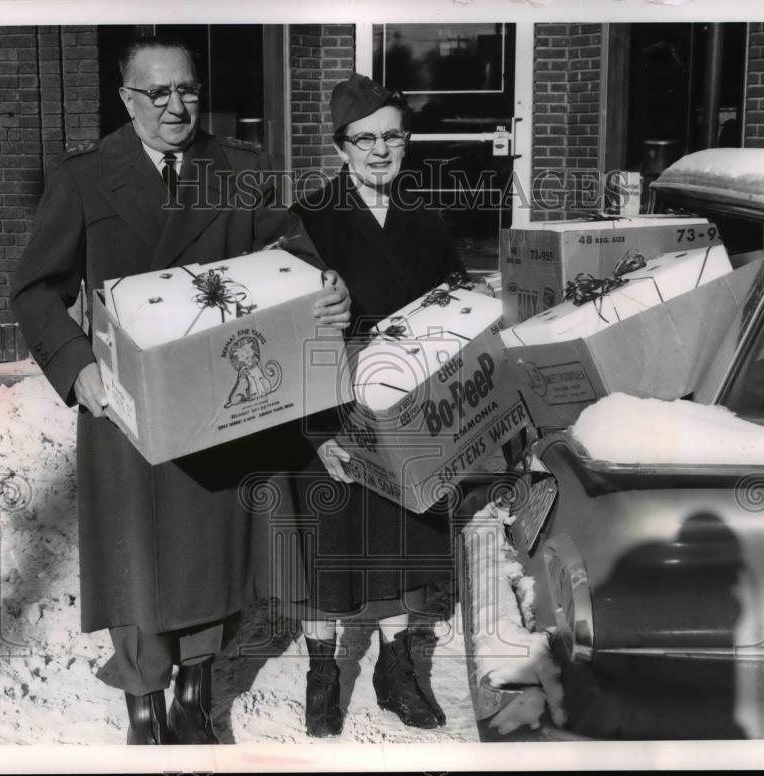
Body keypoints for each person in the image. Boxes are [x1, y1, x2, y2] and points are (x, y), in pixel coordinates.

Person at [9, 36, 350, 745]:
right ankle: (143, 698)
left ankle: (196, 688)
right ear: (127, 98)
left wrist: (327, 289)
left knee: (207, 554)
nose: (176, 105)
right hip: (125, 406)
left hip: (219, 401)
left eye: (187, 90)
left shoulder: (241, 169)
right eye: (157, 93)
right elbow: (36, 289)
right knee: (134, 557)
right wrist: (77, 367)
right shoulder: (83, 178)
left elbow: (292, 256)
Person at [287, 73, 465, 737]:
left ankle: (395, 671)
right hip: (333, 406)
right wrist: (317, 434)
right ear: (341, 149)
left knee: (401, 537)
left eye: (393, 135)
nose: (380, 150)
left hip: (409, 408)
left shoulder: (424, 219)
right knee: (328, 543)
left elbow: (455, 300)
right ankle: (322, 673)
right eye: (365, 140)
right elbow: (288, 337)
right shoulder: (307, 221)